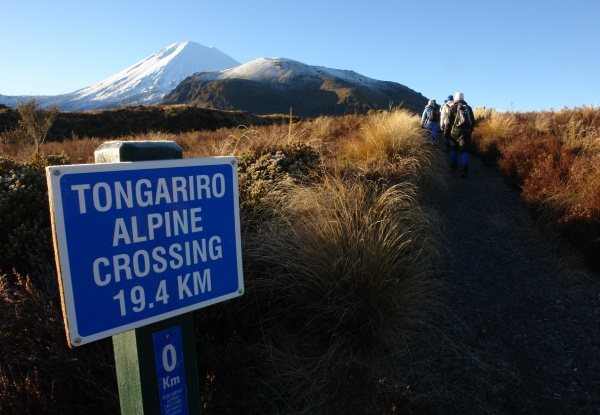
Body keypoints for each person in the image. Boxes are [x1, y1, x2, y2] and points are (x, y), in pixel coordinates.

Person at [447, 92, 475, 178]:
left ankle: (453, 167)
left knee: (454, 148)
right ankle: (464, 169)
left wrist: (446, 134)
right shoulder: (468, 108)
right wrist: (470, 131)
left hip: (455, 131)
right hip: (466, 131)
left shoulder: (452, 107)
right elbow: (473, 122)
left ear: (455, 98)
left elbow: (448, 122)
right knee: (465, 149)